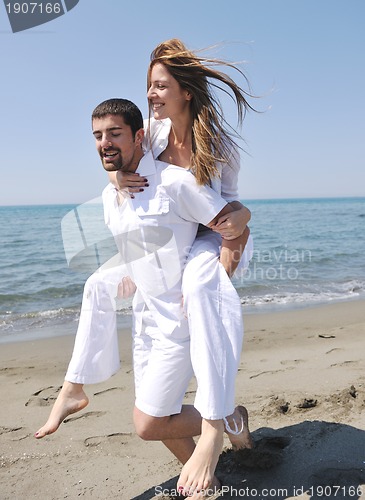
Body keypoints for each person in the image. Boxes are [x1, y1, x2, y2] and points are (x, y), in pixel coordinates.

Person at [35, 98, 250, 497]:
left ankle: (225, 423)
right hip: (147, 318)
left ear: (139, 136)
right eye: (98, 136)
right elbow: (138, 251)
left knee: (148, 423)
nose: (105, 142)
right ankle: (209, 470)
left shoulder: (176, 182)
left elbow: (234, 229)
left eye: (114, 133)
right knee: (96, 286)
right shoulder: (109, 195)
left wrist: (210, 288)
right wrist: (127, 274)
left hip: (182, 322)